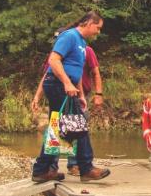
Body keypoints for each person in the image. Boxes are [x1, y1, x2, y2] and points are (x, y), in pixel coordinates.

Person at [31, 11, 109, 184]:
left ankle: (42, 170)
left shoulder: (82, 43)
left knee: (57, 128)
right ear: (89, 23)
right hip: (58, 85)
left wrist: (80, 93)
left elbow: (77, 72)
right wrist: (66, 83)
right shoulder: (70, 36)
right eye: (98, 27)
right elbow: (53, 60)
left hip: (67, 88)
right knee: (78, 125)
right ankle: (86, 168)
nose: (98, 31)